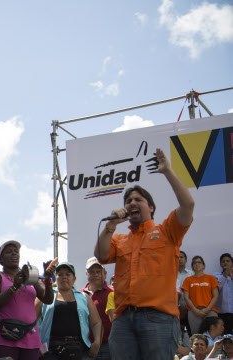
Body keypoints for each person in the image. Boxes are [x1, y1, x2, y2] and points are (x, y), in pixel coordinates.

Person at [94, 148, 195, 360]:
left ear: (151, 207)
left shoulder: (167, 231)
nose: (131, 203)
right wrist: (110, 225)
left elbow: (188, 204)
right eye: (128, 201)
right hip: (123, 321)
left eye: (138, 199)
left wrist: (167, 171)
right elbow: (101, 255)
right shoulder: (119, 239)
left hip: (159, 319)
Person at [0, 240, 55, 360]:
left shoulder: (31, 277)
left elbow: (47, 299)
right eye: (9, 252)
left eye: (16, 252)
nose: (14, 254)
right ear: (0, 260)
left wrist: (48, 281)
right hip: (4, 336)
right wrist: (14, 287)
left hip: (30, 337)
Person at [37, 262, 102, 360]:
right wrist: (36, 343)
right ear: (56, 277)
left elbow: (96, 322)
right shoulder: (45, 295)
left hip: (79, 349)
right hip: (50, 350)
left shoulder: (85, 297)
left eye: (68, 274)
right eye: (60, 274)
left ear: (74, 279)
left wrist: (97, 342)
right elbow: (32, 320)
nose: (64, 277)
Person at [79, 257, 113, 360]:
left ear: (105, 273)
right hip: (83, 347)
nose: (95, 274)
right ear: (86, 274)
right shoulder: (78, 294)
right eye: (92, 272)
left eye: (99, 271)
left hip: (108, 347)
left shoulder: (113, 294)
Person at [182, 255, 219, 338]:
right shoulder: (188, 280)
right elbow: (186, 297)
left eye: (199, 262)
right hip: (194, 311)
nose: (197, 264)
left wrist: (207, 309)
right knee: (197, 336)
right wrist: (195, 310)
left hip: (210, 310)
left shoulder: (211, 278)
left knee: (213, 335)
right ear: (192, 266)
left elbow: (216, 296)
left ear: (203, 265)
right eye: (194, 263)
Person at [214, 253, 233, 335]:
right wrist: (225, 275)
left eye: (228, 261)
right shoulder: (216, 275)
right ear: (220, 264)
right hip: (222, 312)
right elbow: (217, 288)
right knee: (225, 336)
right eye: (223, 261)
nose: (225, 263)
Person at [179, 250, 195, 334]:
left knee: (190, 333)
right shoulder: (171, 274)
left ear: (186, 260)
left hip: (190, 309)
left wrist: (187, 306)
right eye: (177, 257)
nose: (179, 259)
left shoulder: (192, 274)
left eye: (181, 257)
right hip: (175, 309)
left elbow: (195, 292)